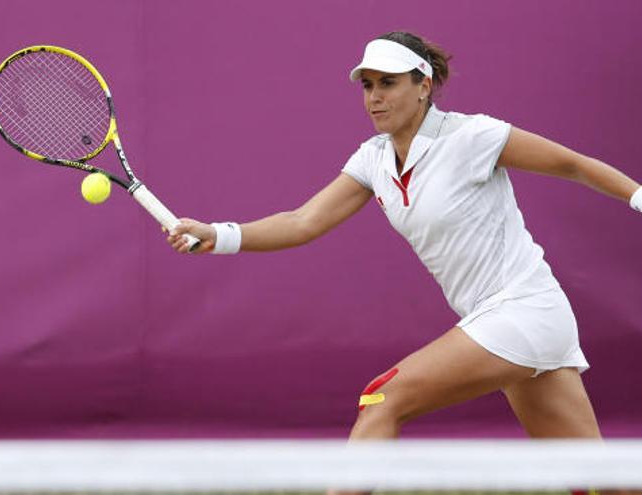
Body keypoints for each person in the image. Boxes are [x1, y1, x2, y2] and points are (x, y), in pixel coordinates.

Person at [168, 31, 641, 441]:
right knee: (601, 481)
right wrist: (219, 234)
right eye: (368, 86)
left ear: (424, 85)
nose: (374, 97)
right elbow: (302, 222)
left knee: (382, 398)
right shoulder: (373, 159)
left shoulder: (473, 136)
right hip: (508, 320)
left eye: (388, 84)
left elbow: (573, 164)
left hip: (524, 308)